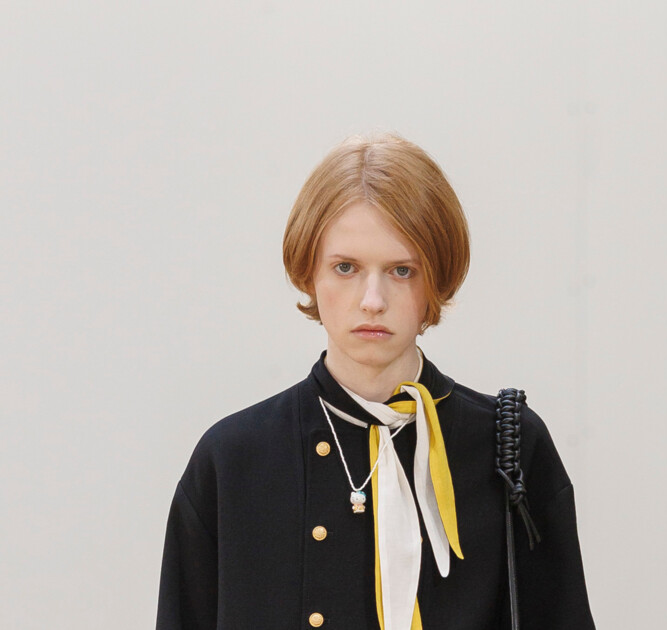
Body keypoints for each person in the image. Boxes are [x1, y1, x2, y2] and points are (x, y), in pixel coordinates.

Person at [157, 134, 595, 629]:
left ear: (437, 279)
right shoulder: (233, 460)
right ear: (308, 272)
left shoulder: (509, 449)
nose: (372, 300)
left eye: (402, 270)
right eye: (345, 268)